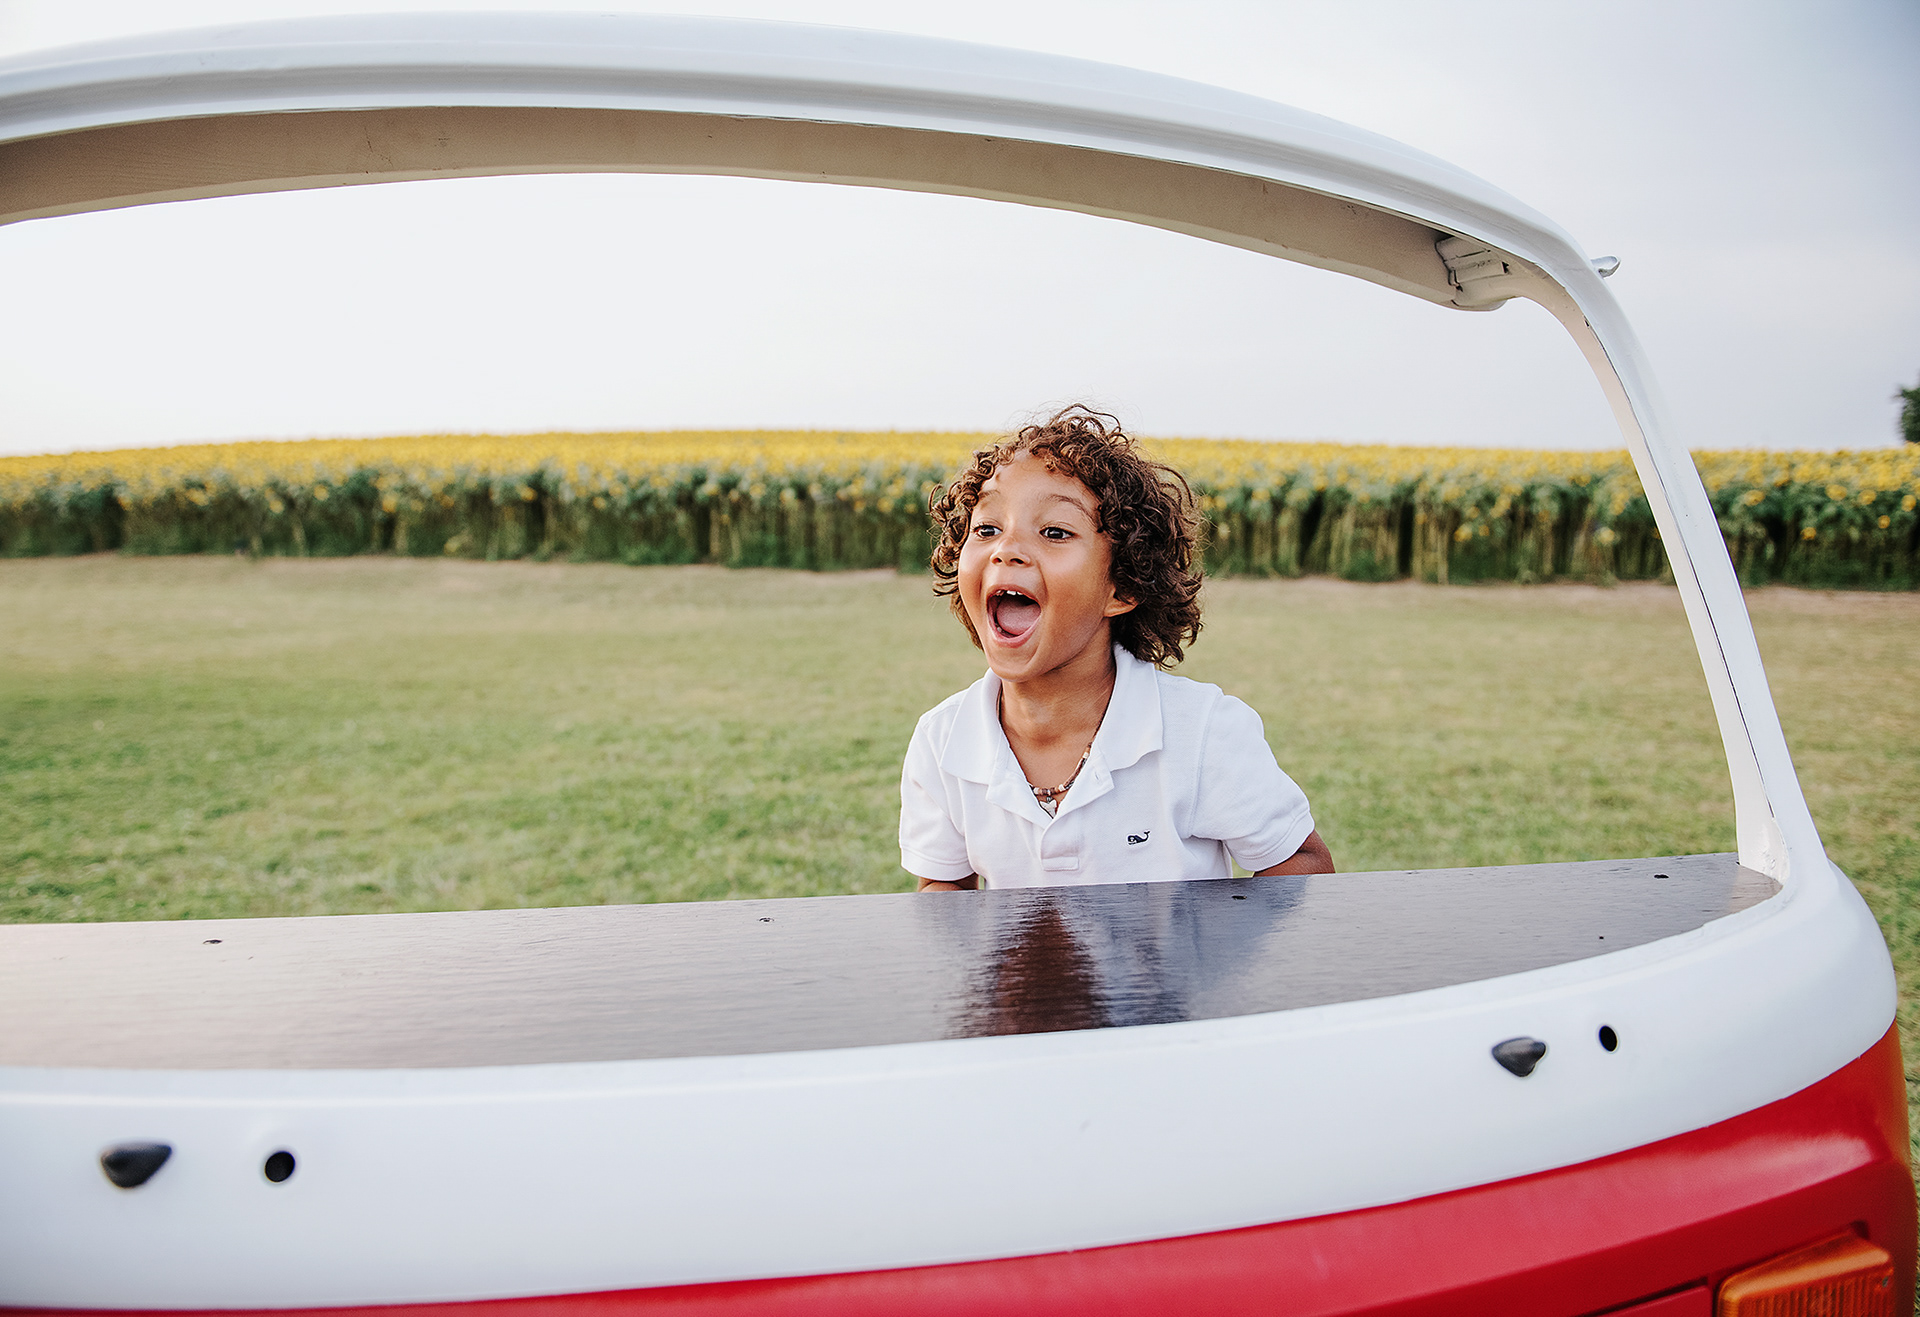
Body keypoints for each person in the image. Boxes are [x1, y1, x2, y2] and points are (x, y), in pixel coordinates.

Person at [899, 405, 1334, 891]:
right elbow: (943, 889)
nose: (1006, 549)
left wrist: (1211, 941)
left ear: (1122, 588)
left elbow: (1303, 863)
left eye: (1055, 532)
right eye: (987, 529)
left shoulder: (1203, 732)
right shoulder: (941, 741)